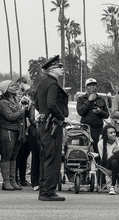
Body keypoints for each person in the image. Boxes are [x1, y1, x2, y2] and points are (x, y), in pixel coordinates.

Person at [35, 55, 68, 202]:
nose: (62, 69)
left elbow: (36, 104)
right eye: (60, 67)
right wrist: (61, 118)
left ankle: (45, 189)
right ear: (52, 69)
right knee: (53, 158)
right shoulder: (53, 84)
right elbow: (52, 104)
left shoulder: (42, 83)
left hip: (44, 125)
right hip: (52, 125)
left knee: (45, 158)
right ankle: (48, 191)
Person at [0, 79, 27, 191]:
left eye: (14, 85)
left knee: (14, 156)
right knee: (7, 156)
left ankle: (12, 180)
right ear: (6, 90)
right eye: (12, 86)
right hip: (7, 131)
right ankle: (6, 182)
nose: (15, 87)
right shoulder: (3, 103)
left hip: (16, 131)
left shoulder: (15, 99)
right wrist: (22, 111)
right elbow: (10, 116)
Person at [77, 77, 109, 155]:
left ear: (96, 86)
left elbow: (107, 115)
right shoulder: (81, 99)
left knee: (98, 151)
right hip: (85, 130)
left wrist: (100, 112)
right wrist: (89, 100)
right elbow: (80, 112)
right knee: (84, 151)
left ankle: (98, 166)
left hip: (98, 130)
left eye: (94, 85)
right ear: (86, 87)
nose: (92, 87)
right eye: (89, 85)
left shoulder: (101, 99)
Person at [97, 124, 119, 195]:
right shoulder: (101, 143)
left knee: (115, 161)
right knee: (118, 155)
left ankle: (112, 186)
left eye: (114, 132)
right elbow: (103, 159)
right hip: (106, 165)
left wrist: (116, 154)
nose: (113, 134)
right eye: (110, 133)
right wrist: (113, 154)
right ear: (106, 134)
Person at [15, 78, 32, 187]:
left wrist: (28, 106)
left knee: (25, 155)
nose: (21, 97)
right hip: (19, 130)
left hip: (27, 129)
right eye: (18, 95)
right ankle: (16, 179)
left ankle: (23, 178)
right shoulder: (14, 103)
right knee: (18, 156)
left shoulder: (29, 97)